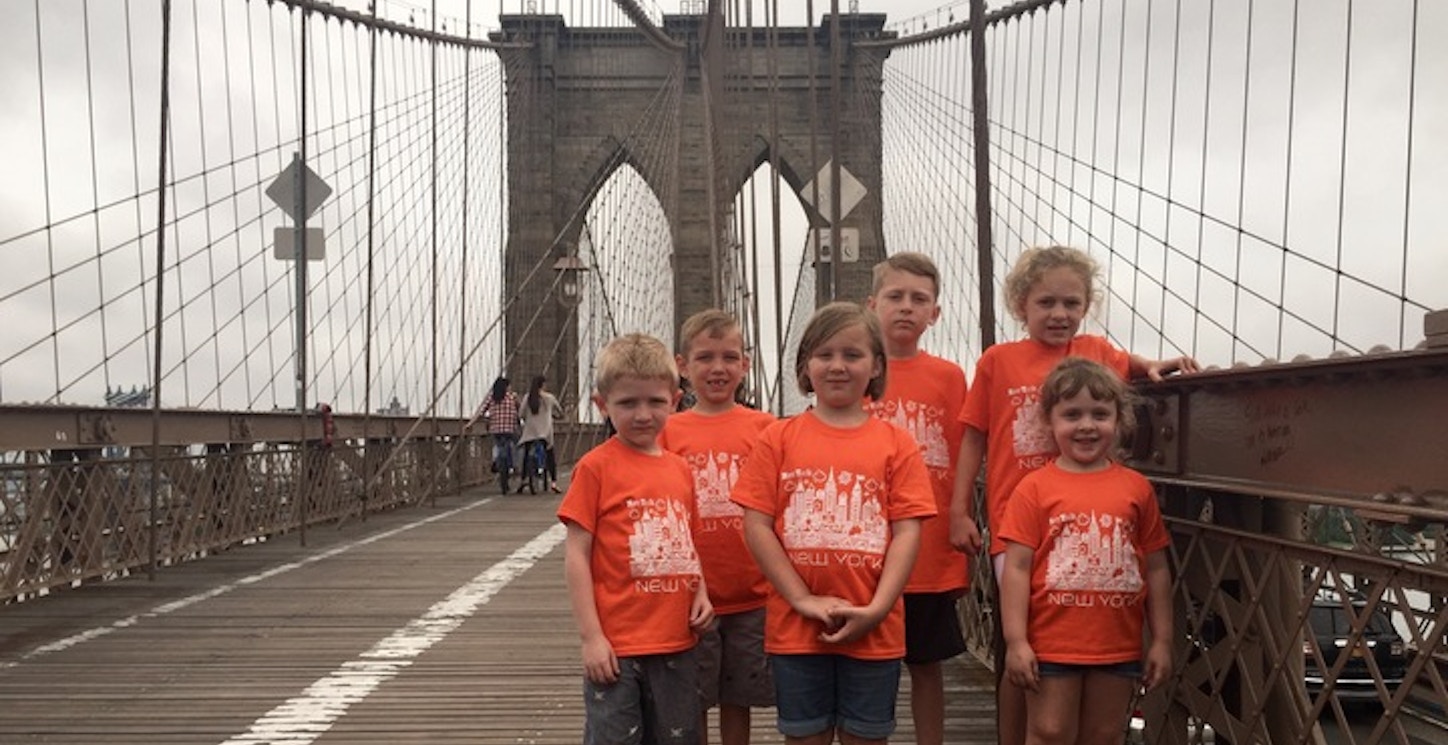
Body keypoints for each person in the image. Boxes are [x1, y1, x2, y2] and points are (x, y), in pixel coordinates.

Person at [947, 245, 1197, 745]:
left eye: (1071, 303)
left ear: (1086, 306)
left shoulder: (1097, 351)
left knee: (1065, 643)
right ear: (1021, 306)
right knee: (1026, 644)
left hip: (1086, 520)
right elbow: (974, 434)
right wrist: (958, 510)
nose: (1059, 314)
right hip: (1017, 524)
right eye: (1046, 303)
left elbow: (1128, 366)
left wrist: (1156, 366)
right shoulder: (999, 360)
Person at [732, 301, 937, 745]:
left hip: (875, 630)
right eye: (825, 355)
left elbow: (907, 531)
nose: (838, 366)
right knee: (805, 737)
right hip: (796, 628)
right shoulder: (778, 438)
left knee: (867, 737)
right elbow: (756, 525)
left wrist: (879, 607)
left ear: (877, 367)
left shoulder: (896, 444)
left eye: (852, 355)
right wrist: (801, 598)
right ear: (806, 365)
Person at [997, 357, 1172, 745]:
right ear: (1049, 421)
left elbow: (1157, 568)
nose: (1087, 426)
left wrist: (1161, 639)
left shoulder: (1137, 489)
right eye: (1072, 414)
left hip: (1117, 644)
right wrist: (1016, 641)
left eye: (1100, 414)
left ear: (1120, 420)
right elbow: (1017, 569)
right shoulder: (1034, 488)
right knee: (1049, 731)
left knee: (1104, 734)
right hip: (1051, 641)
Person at [558, 332, 714, 745]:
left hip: (677, 640)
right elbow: (577, 553)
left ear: (675, 401)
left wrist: (701, 592)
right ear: (602, 405)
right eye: (627, 403)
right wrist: (591, 637)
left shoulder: (680, 470)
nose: (643, 414)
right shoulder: (595, 468)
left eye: (655, 402)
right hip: (618, 648)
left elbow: (687, 541)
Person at [863, 253, 969, 745]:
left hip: (928, 552)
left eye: (919, 299)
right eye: (895, 297)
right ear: (872, 305)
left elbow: (965, 452)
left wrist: (959, 518)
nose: (906, 308)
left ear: (935, 313)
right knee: (873, 669)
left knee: (927, 665)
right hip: (867, 552)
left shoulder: (949, 378)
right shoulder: (855, 371)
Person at [660, 309, 777, 745]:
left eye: (729, 357)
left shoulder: (766, 429)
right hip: (691, 594)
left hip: (753, 593)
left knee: (739, 698)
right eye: (705, 358)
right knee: (693, 700)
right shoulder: (668, 431)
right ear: (682, 366)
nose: (718, 368)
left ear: (745, 365)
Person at [465, 376, 521, 493]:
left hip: (496, 430)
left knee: (498, 446)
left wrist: (470, 424)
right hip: (510, 430)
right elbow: (520, 411)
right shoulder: (512, 397)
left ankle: (496, 460)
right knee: (518, 445)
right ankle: (516, 466)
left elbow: (480, 412)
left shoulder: (491, 397)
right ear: (506, 387)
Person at [518, 374, 564, 494]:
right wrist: (557, 416)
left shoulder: (527, 397)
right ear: (543, 385)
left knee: (527, 454)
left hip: (530, 431)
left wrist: (527, 419)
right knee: (550, 455)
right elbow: (560, 411)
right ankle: (554, 482)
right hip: (545, 432)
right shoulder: (549, 398)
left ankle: (523, 480)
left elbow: (521, 414)